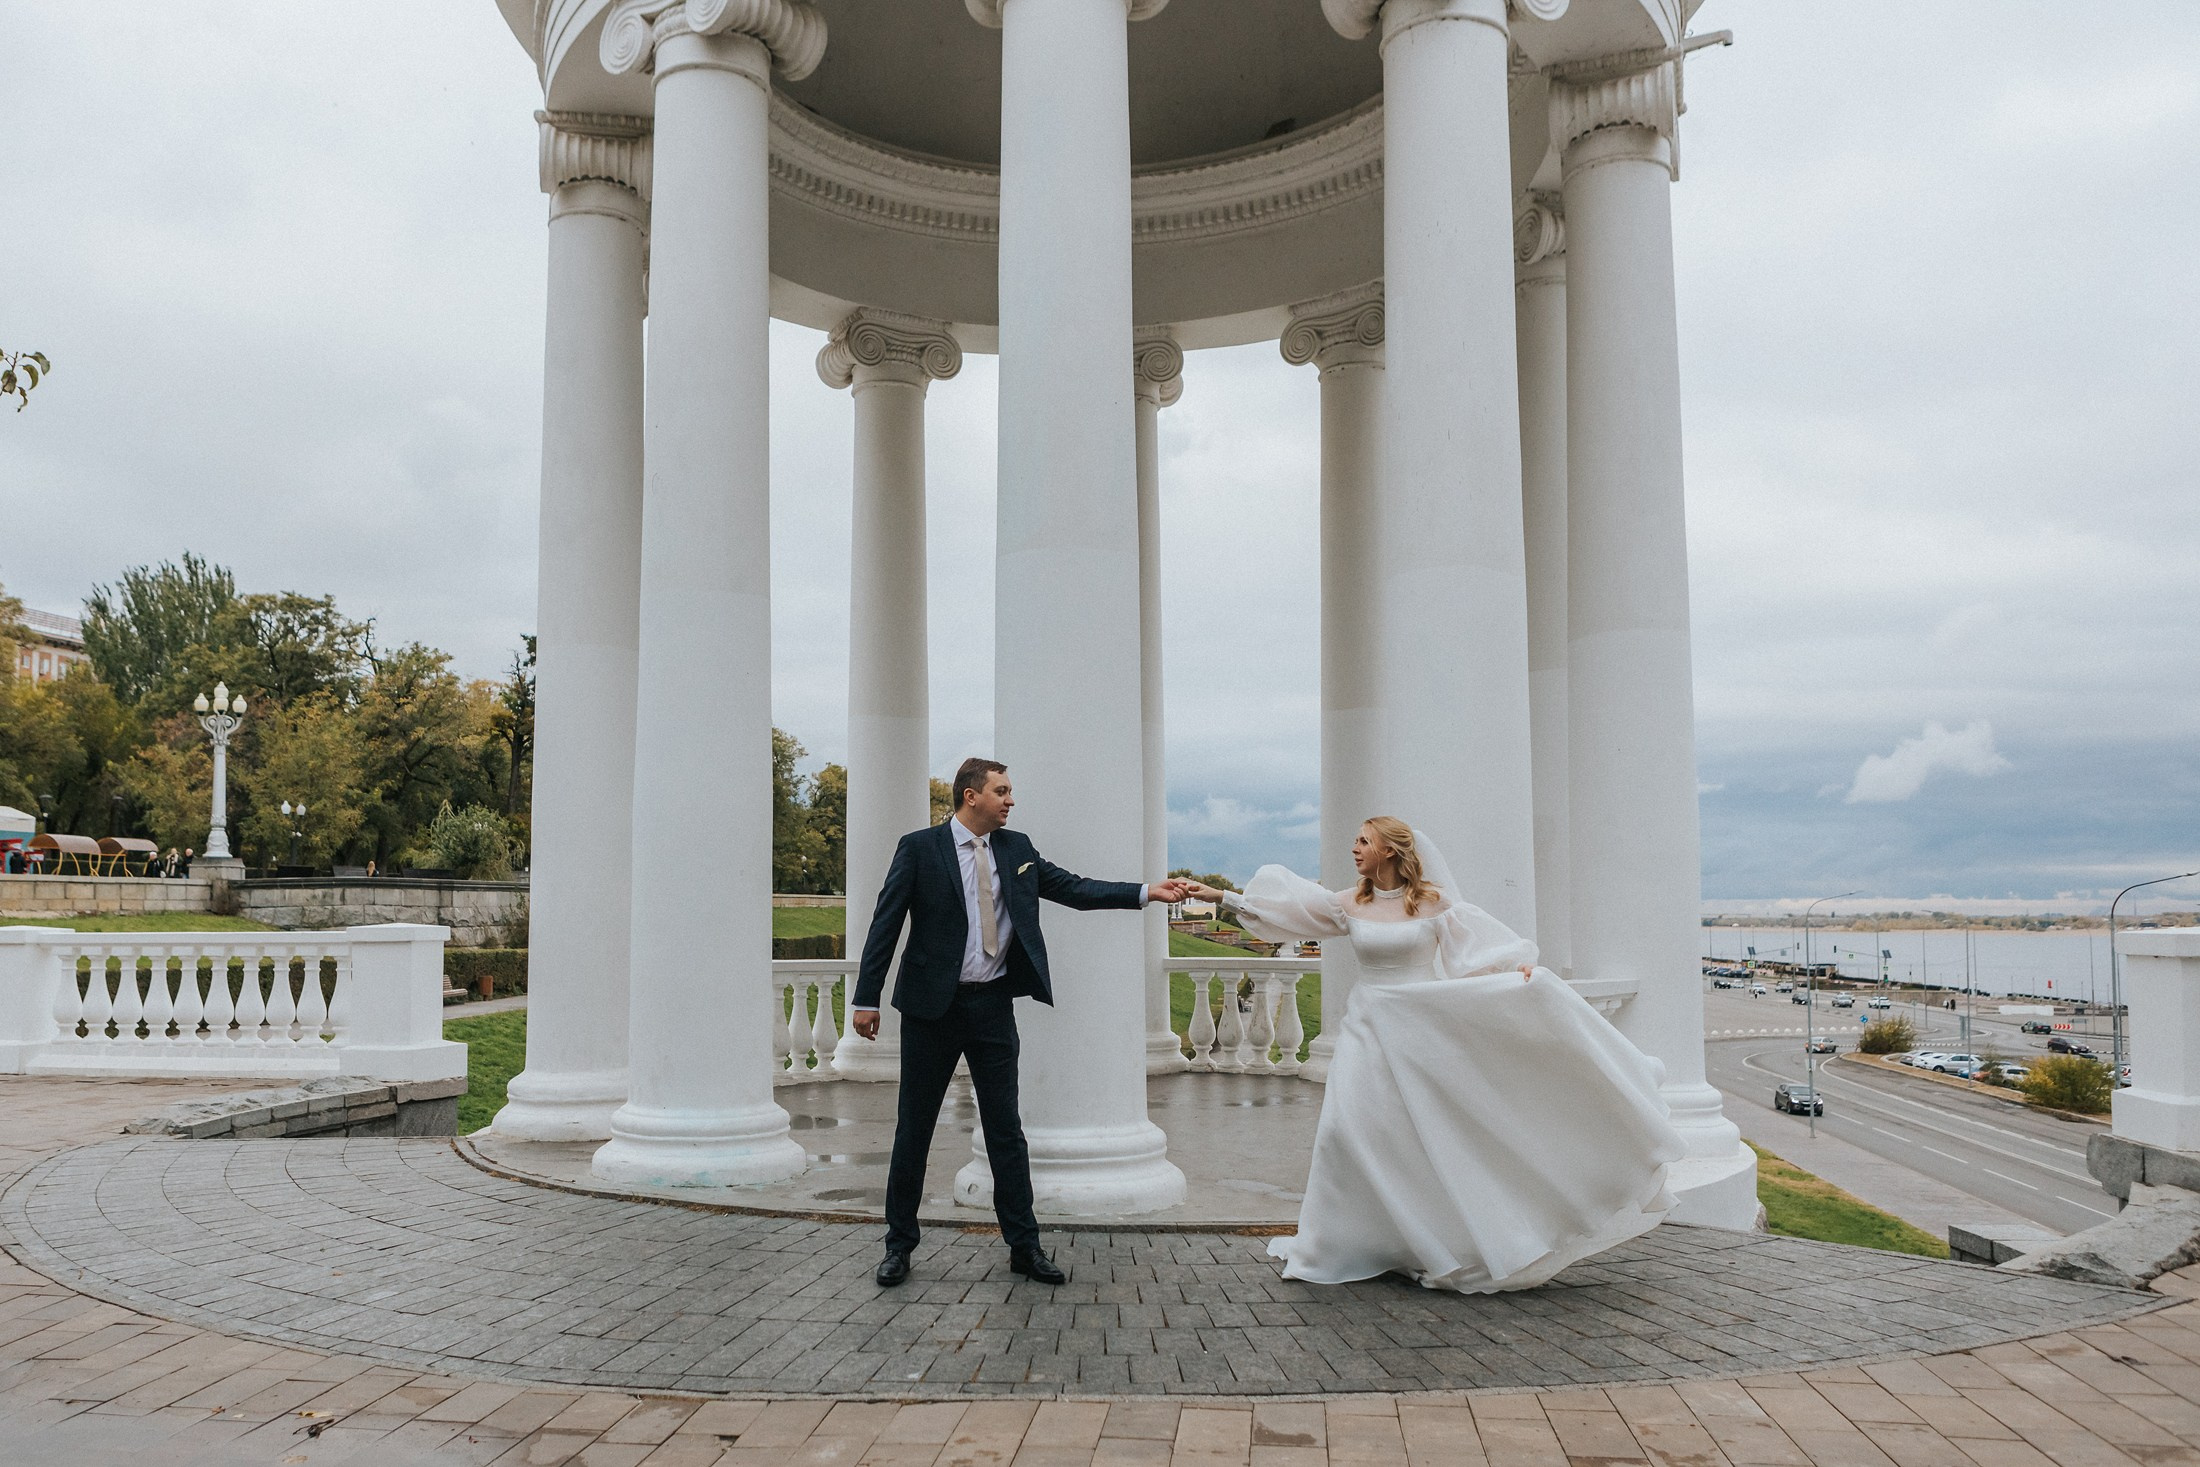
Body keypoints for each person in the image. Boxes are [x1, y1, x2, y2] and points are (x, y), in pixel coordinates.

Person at [1180, 818, 1684, 1294]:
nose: (1353, 849)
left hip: (1421, 1024)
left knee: (1419, 1136)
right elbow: (1286, 915)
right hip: (1367, 1025)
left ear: (1390, 851)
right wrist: (1219, 896)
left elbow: (1479, 953)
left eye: (1363, 841)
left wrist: (1517, 973)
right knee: (1346, 1128)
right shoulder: (1347, 903)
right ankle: (1339, 1242)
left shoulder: (1434, 903)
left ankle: (1427, 1240)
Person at [849, 757, 1190, 1289]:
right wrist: (865, 998)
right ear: (970, 797)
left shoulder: (1017, 849)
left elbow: (1074, 888)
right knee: (913, 1130)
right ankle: (898, 1246)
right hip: (929, 1011)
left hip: (992, 1009)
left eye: (1010, 792)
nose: (1011, 800)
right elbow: (885, 922)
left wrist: (1147, 892)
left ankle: (1024, 1247)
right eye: (1002, 791)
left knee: (1006, 1131)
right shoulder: (919, 848)